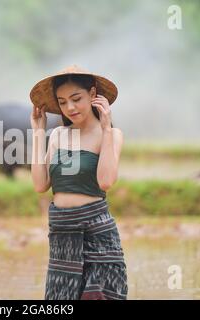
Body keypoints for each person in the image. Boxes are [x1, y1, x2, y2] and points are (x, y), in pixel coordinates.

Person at [29, 65, 128, 300]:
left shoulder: (112, 135)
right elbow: (40, 185)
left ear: (93, 95)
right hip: (62, 236)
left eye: (76, 99)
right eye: (62, 102)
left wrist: (105, 128)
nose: (69, 108)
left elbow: (105, 181)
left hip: (97, 235)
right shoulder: (58, 135)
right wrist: (37, 132)